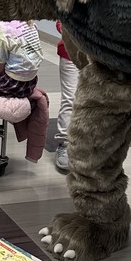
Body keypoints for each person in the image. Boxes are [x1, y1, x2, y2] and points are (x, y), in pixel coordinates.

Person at [54, 21, 78, 172]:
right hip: (71, 52)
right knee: (70, 99)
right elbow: (60, 22)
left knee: (97, 102)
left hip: (99, 55)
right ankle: (65, 144)